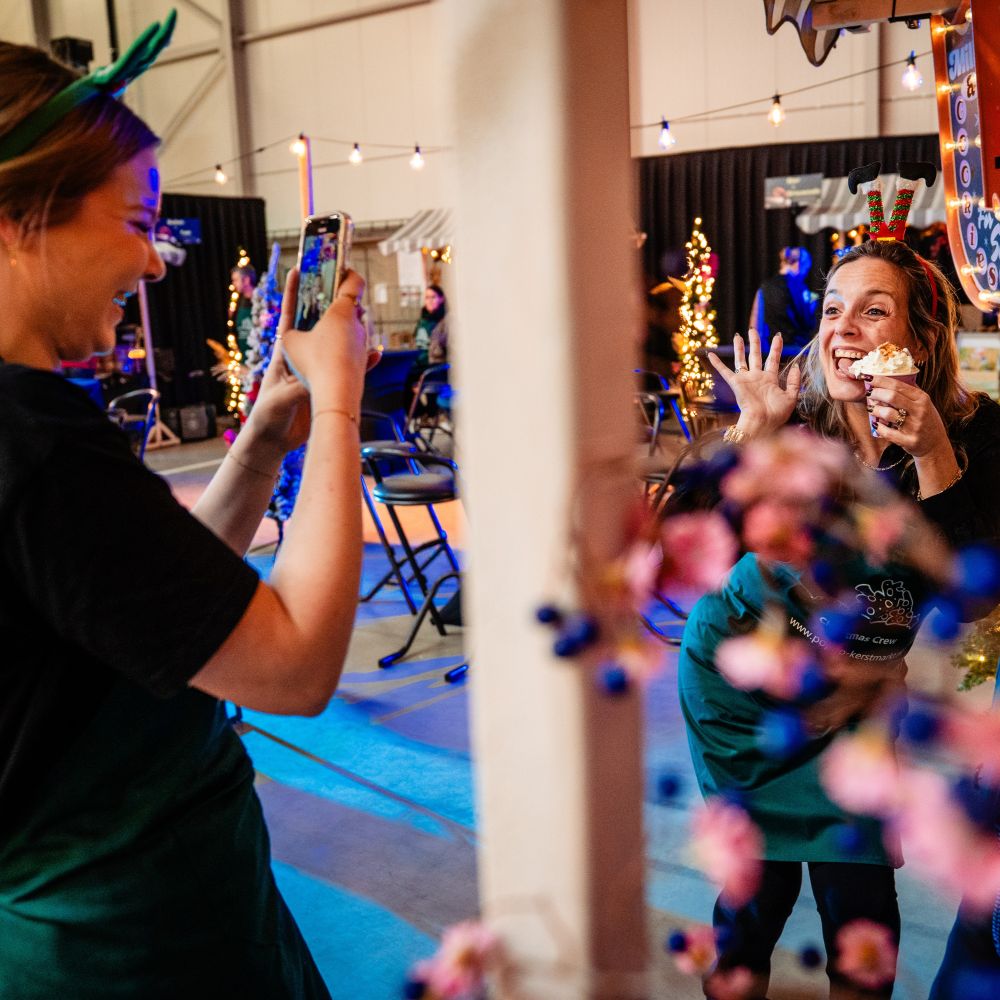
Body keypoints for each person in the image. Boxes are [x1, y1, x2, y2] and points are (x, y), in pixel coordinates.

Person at [0, 25, 378, 998]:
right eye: (135, 222)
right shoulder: (33, 442)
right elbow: (291, 665)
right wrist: (338, 403)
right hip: (135, 939)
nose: (158, 261)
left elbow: (155, 610)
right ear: (22, 217)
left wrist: (256, 446)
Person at [678, 237, 1000, 999]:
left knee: (865, 923)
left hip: (854, 703)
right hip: (745, 698)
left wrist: (933, 454)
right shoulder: (797, 434)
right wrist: (751, 437)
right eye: (832, 309)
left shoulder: (980, 435)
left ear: (921, 340)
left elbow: (974, 600)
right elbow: (702, 556)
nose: (842, 327)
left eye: (873, 310)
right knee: (757, 899)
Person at [748, 246, 818, 350]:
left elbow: (754, 324)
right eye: (806, 269)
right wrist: (813, 303)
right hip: (797, 351)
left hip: (772, 350)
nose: (805, 274)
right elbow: (808, 323)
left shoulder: (764, 287)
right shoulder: (800, 288)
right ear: (799, 264)